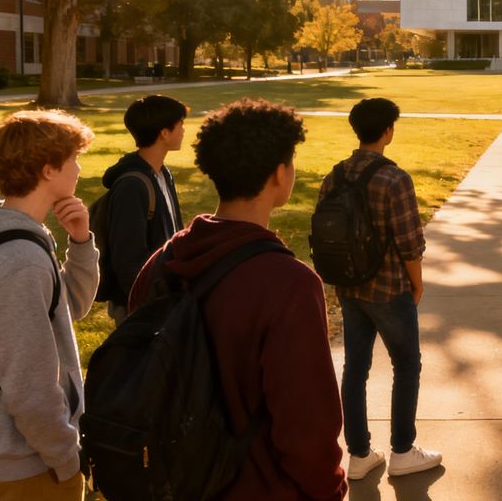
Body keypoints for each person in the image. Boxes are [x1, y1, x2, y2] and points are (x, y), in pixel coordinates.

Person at [129, 98, 347, 500]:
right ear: (280, 175)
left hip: (169, 481)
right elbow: (306, 428)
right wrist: (329, 490)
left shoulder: (163, 262)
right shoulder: (290, 284)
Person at [0, 110, 98, 500]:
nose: (79, 169)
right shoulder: (19, 261)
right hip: (28, 463)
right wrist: (66, 457)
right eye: (73, 160)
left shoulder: (13, 235)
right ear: (48, 170)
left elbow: (70, 306)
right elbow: (29, 385)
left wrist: (80, 242)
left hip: (20, 455)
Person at [325, 98, 441, 480]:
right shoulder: (394, 178)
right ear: (388, 130)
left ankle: (358, 455)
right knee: (406, 364)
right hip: (389, 288)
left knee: (355, 368)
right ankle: (403, 450)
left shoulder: (335, 175)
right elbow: (410, 243)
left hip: (348, 286)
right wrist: (417, 284)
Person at [99, 94, 187, 323]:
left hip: (165, 297)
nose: (184, 130)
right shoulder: (132, 186)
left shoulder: (162, 174)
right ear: (164, 133)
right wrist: (149, 304)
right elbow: (127, 260)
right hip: (139, 306)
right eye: (180, 124)